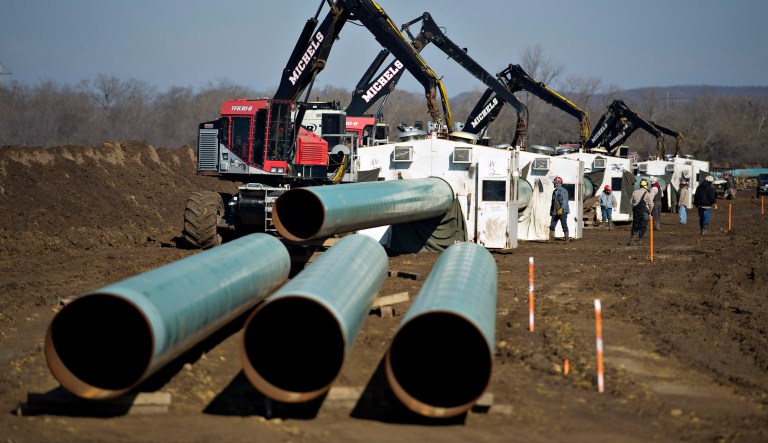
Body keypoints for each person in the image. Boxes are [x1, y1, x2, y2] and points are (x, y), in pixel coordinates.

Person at [628, 179, 654, 245]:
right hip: (644, 213)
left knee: (635, 226)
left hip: (636, 212)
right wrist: (649, 212)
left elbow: (631, 202)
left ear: (640, 185)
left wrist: (634, 208)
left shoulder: (634, 192)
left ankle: (632, 239)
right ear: (646, 186)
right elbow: (651, 205)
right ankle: (640, 240)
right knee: (643, 227)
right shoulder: (648, 194)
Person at [549, 176, 570, 242]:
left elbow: (565, 201)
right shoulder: (554, 192)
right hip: (555, 212)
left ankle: (567, 239)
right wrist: (551, 211)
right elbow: (553, 202)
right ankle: (551, 238)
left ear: (558, 183)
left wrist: (561, 209)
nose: (554, 184)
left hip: (562, 212)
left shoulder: (564, 191)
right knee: (552, 225)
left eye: (554, 183)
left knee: (564, 225)